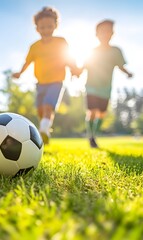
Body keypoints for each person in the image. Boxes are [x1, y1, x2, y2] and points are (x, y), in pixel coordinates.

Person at [12, 6, 78, 144]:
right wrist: (19, 73)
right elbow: (27, 62)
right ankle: (45, 129)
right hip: (40, 83)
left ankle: (43, 132)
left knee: (48, 106)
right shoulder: (34, 46)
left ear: (55, 26)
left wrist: (74, 69)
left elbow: (69, 58)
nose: (46, 30)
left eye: (49, 26)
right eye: (42, 27)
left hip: (56, 81)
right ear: (37, 29)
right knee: (40, 110)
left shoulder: (61, 42)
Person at [80, 20, 133, 148]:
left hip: (106, 88)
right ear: (96, 34)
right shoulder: (92, 51)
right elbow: (84, 66)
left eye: (108, 31)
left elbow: (120, 65)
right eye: (102, 31)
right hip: (91, 86)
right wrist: (76, 73)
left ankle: (95, 134)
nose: (105, 34)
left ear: (112, 33)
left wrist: (127, 73)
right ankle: (91, 136)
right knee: (92, 111)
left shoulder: (116, 51)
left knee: (102, 113)